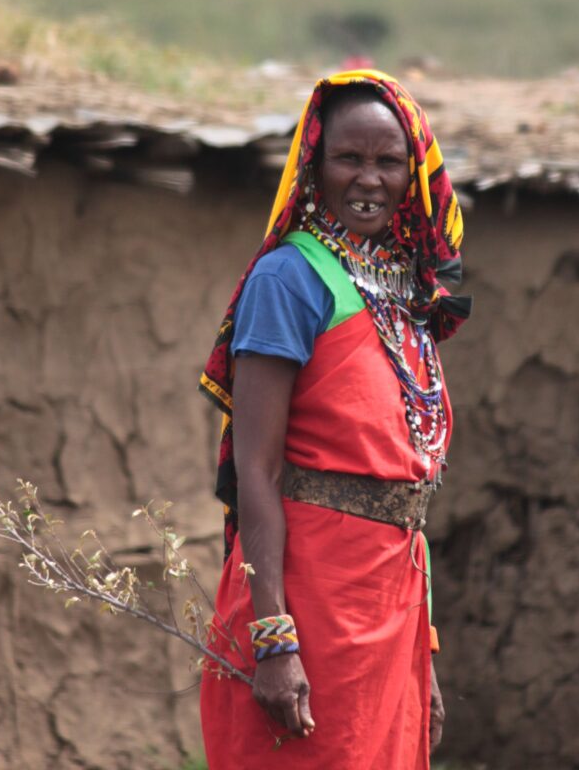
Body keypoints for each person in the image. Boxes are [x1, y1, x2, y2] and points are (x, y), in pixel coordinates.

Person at [198, 69, 470, 769]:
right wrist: (274, 639)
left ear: (414, 173)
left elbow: (406, 497)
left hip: (391, 603)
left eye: (389, 162)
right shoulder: (289, 279)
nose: (369, 179)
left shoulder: (400, 293)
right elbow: (256, 471)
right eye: (349, 158)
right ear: (315, 165)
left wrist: (424, 650)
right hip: (309, 602)